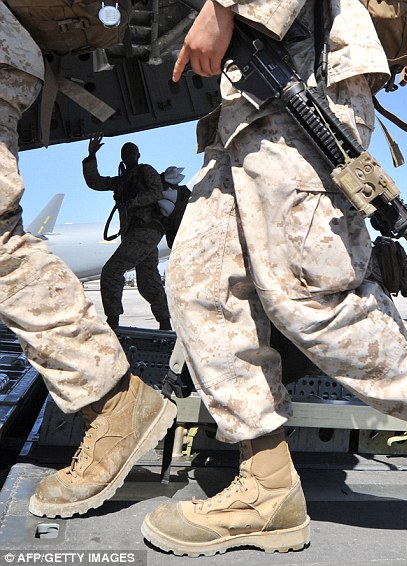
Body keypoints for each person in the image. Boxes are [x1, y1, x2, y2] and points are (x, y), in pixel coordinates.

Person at [138, 0, 407, 556]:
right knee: (201, 287)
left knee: (309, 296)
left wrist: (226, 6)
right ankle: (267, 487)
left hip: (305, 80)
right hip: (244, 103)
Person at [0, 3, 177, 520]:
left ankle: (114, 394)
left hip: (144, 234)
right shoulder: (120, 173)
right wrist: (92, 158)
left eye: (122, 156)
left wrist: (138, 199)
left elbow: (150, 199)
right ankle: (116, 362)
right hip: (131, 231)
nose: (123, 162)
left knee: (131, 275)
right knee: (128, 279)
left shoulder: (142, 174)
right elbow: (98, 185)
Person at [82, 135, 172, 330]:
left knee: (112, 271)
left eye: (131, 151)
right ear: (121, 157)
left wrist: (133, 201)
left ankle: (113, 321)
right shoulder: (120, 181)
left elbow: (156, 192)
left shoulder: (146, 171)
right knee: (148, 281)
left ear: (138, 155)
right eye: (124, 152)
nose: (128, 154)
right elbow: (95, 182)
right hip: (135, 233)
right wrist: (91, 156)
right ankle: (165, 324)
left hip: (146, 230)